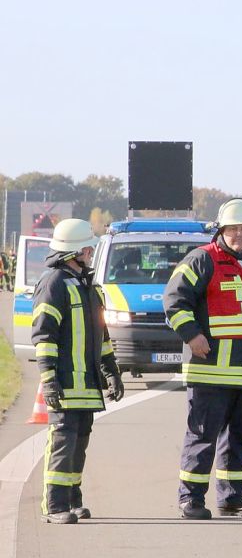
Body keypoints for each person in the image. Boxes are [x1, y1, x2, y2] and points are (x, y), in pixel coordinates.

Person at [164, 199, 242, 520]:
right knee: (202, 436)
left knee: (238, 439)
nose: (239, 235)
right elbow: (174, 301)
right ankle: (190, 499)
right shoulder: (201, 260)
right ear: (221, 231)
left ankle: (232, 497)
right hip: (210, 372)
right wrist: (192, 335)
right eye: (233, 229)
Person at [31, 219, 124, 524]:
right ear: (77, 251)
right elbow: (44, 337)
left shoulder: (87, 287)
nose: (91, 254)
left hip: (86, 384)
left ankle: (72, 500)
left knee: (78, 444)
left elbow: (101, 334)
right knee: (62, 443)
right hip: (65, 382)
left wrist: (111, 370)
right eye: (88, 249)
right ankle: (54, 506)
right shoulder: (54, 283)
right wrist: (49, 380)